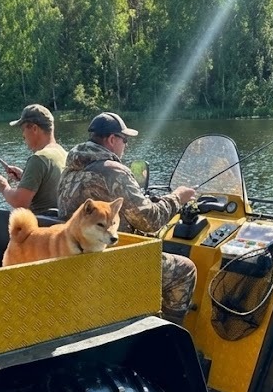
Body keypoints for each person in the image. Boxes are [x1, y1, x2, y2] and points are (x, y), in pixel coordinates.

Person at [57, 111, 198, 323]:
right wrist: (178, 197)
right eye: (124, 140)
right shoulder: (113, 171)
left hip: (76, 260)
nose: (126, 145)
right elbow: (150, 221)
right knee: (185, 270)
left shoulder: (69, 170)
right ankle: (170, 340)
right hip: (112, 262)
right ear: (112, 140)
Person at [0, 104, 67, 215]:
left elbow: (20, 202)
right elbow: (48, 183)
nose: (23, 135)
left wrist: (3, 186)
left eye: (23, 129)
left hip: (41, 227)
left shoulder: (38, 159)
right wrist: (24, 177)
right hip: (59, 224)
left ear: (34, 128)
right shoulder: (64, 153)